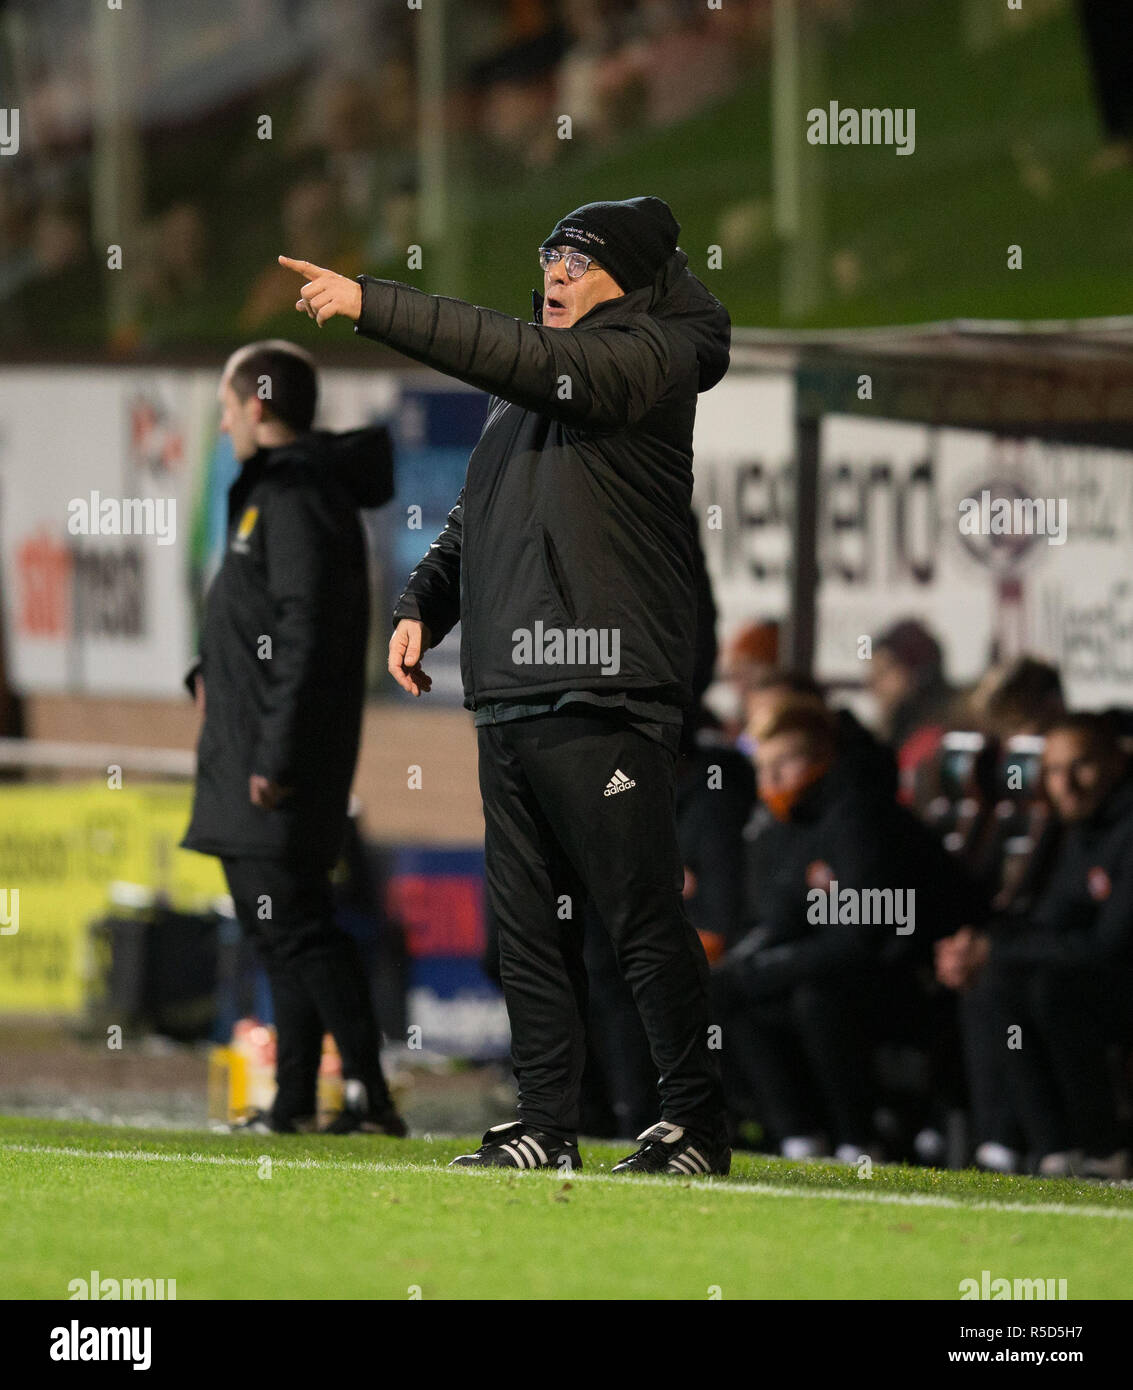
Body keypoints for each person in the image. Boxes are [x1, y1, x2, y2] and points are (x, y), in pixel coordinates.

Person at [281, 194, 734, 1175]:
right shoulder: (540, 379)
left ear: (635, 279)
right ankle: (543, 1122)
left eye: (578, 260)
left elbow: (529, 362)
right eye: (547, 257)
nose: (554, 276)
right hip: (514, 688)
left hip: (601, 686)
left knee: (639, 916)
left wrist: (374, 303)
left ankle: (693, 1122)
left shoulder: (644, 361)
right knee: (527, 925)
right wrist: (420, 605)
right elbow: (472, 519)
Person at [182, 340, 404, 1137]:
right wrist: (209, 670)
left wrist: (272, 756)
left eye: (227, 404)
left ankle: (372, 1099)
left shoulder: (295, 495)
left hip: (271, 759)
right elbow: (265, 621)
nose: (221, 419)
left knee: (298, 929)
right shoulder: (280, 491)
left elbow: (305, 632)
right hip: (252, 744)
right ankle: (295, 1103)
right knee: (284, 929)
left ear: (258, 406)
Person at [936, 713, 1133, 1178]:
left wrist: (999, 952)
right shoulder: (1080, 829)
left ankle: (1103, 1148)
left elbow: (1110, 945)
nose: (1065, 784)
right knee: (989, 984)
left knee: (1046, 990)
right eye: (1054, 770)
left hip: (1117, 980)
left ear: (1117, 763)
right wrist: (979, 946)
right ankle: (1024, 1149)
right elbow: (1048, 923)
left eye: (1080, 766)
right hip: (1090, 980)